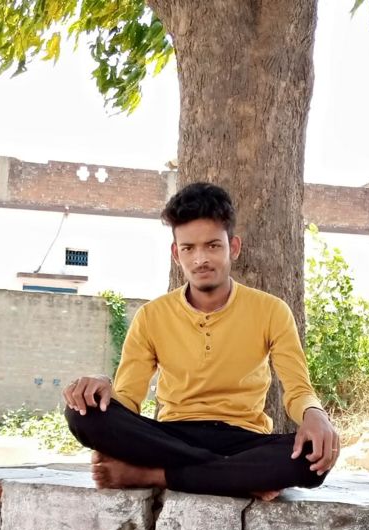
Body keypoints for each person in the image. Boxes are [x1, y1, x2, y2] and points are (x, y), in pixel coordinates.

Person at [64, 182, 339, 500]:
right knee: (81, 414)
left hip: (242, 438)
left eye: (212, 246)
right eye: (188, 248)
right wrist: (101, 386)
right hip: (172, 435)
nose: (200, 259)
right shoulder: (152, 316)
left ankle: (153, 475)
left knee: (311, 459)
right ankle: (234, 476)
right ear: (176, 253)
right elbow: (128, 398)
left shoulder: (271, 310)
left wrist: (315, 414)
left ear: (233, 247)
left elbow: (298, 390)